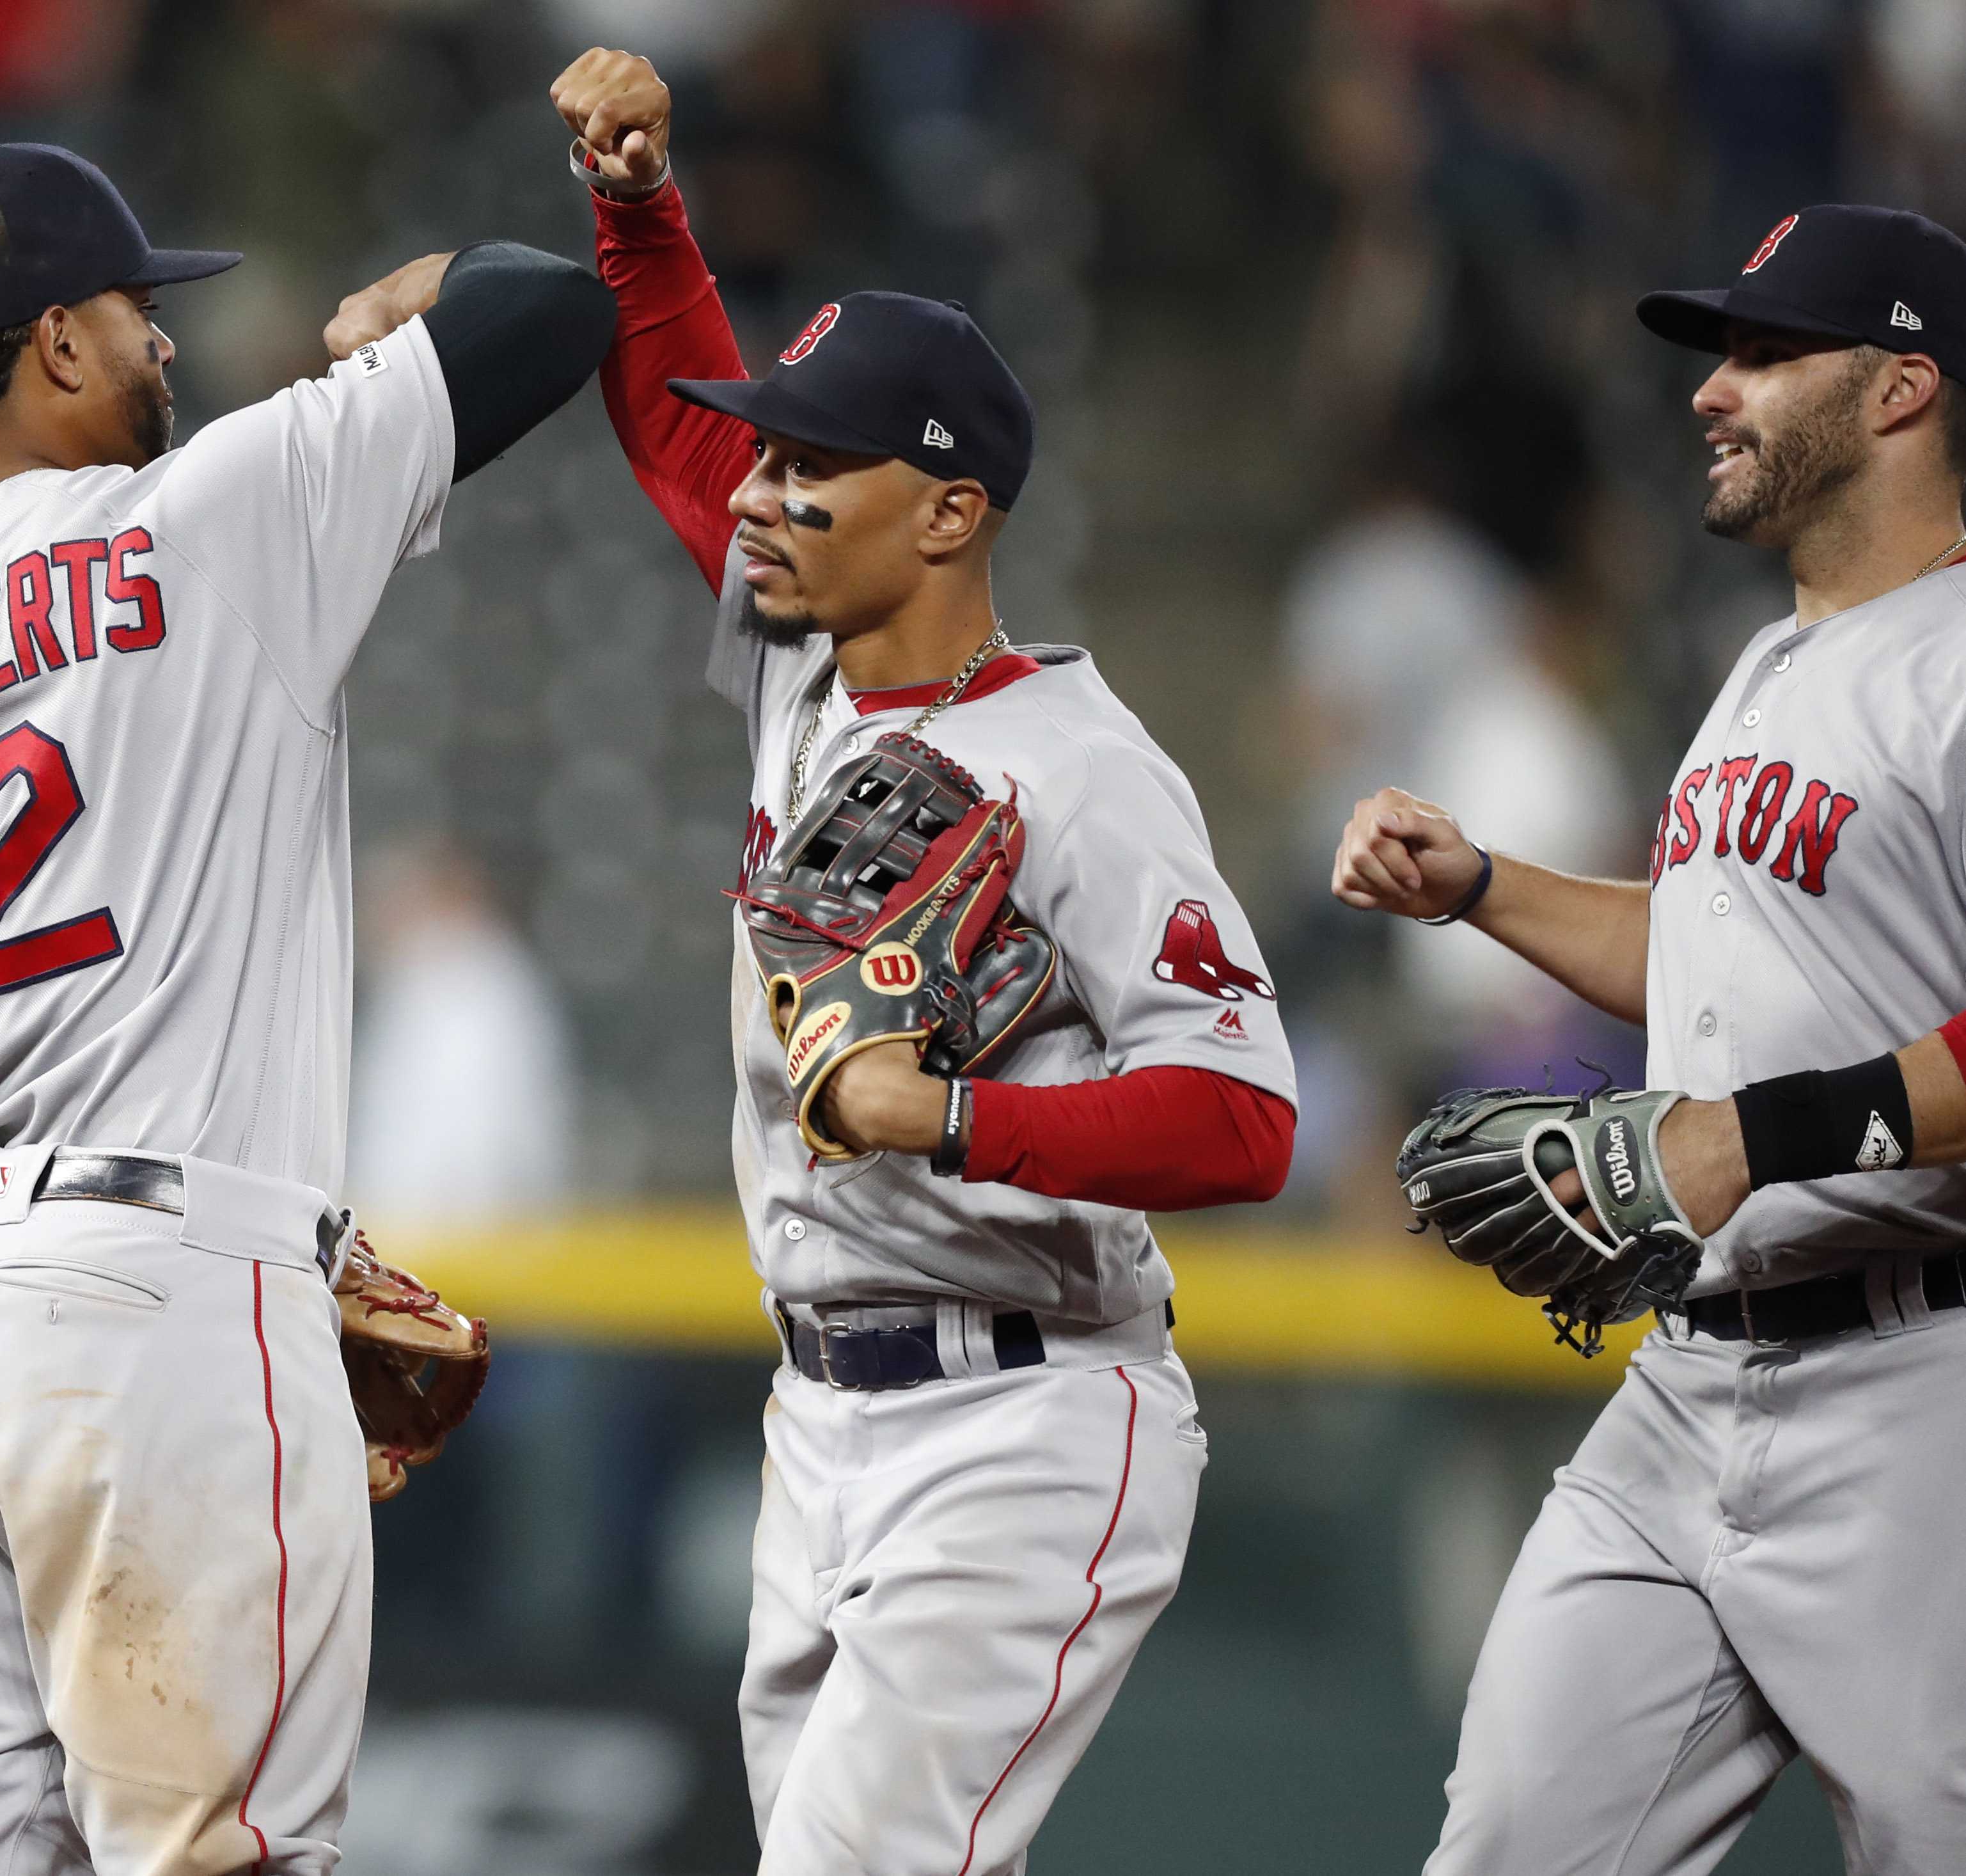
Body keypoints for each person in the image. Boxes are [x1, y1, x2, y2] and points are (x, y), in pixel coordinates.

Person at [0, 144, 612, 1876]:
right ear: (55, 343)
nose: (167, 349)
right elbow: (552, 301)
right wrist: (391, 308)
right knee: (223, 1852)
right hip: (172, 1285)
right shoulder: (208, 513)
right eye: (143, 315)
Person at [552, 49, 1298, 1874]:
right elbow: (677, 430)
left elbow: (1243, 1122)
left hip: (1030, 1412)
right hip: (821, 1410)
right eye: (777, 452)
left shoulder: (1086, 770)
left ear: (949, 510)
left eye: (816, 464)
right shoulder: (814, 664)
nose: (763, 494)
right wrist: (640, 213)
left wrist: (949, 1114)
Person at [1332, 203, 1966, 1873]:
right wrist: (1481, 884)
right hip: (1690, 1383)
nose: (1713, 387)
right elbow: (1707, 956)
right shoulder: (1770, 658)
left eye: (1765, 354)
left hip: (1921, 1397)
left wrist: (1740, 1137)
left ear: (1902, 390)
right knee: (1513, 1843)